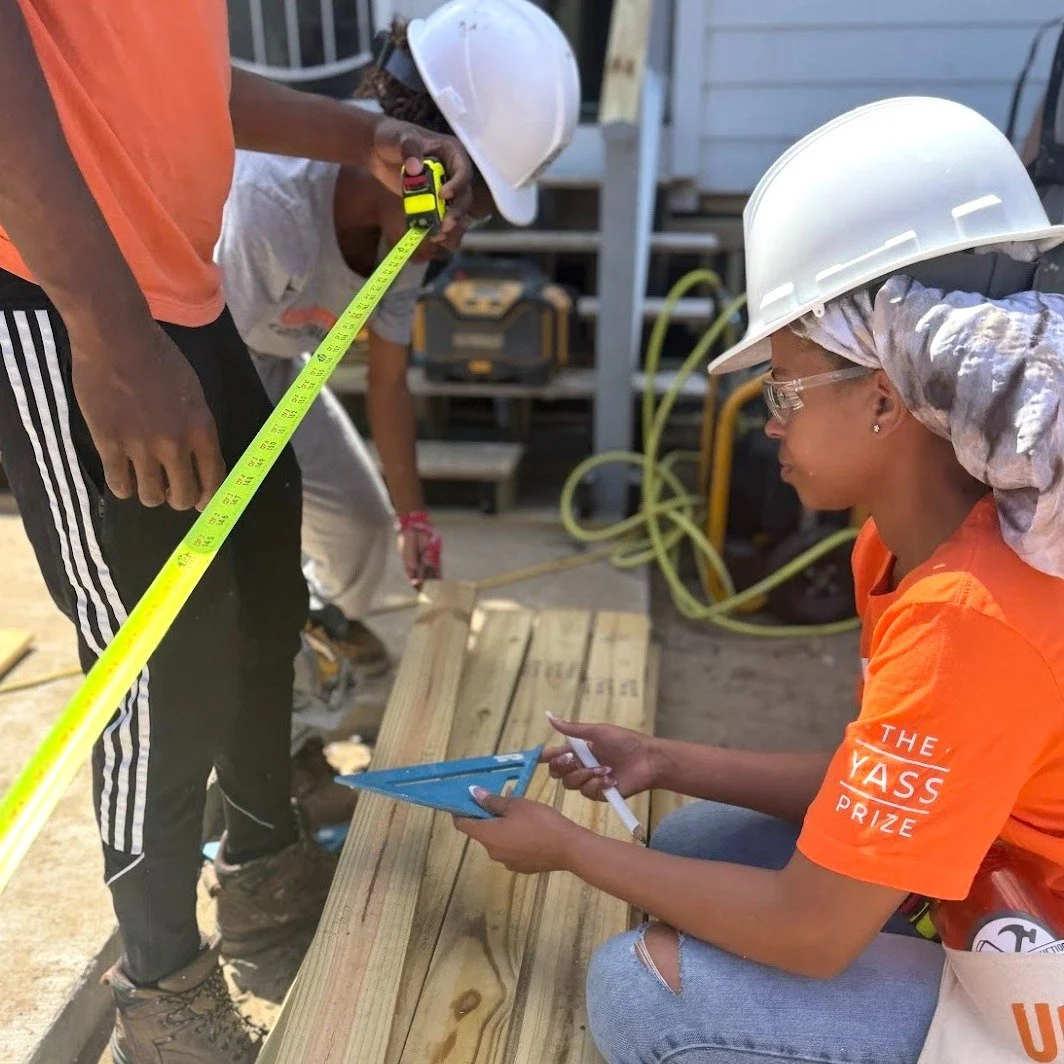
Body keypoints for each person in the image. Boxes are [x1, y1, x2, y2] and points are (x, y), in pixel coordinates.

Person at [453, 96, 1064, 1063]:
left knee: (647, 994)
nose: (767, 418)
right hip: (993, 876)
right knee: (696, 843)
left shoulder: (972, 616)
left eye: (783, 386)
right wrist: (664, 757)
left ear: (884, 394)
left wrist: (570, 848)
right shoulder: (908, 549)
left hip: (1045, 969)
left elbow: (811, 932)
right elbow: (898, 789)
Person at [0, 2, 475, 1061]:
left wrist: (359, 135)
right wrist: (106, 327)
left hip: (179, 285)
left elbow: (180, 87)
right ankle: (162, 980)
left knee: (265, 594)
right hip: (55, 289)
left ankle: (257, 864)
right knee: (156, 655)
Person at [215, 0, 580, 684]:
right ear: (416, 157)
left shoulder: (409, 236)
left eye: (479, 213)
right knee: (242, 556)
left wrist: (414, 515)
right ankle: (272, 671)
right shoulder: (268, 206)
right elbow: (206, 378)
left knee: (359, 524)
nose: (457, 233)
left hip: (270, 361)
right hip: (194, 369)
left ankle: (314, 647)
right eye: (464, 202)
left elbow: (387, 379)